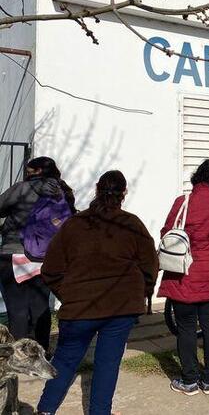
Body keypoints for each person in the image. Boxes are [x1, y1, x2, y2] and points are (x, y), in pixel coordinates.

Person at [37, 171, 157, 415]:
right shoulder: (131, 224)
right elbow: (149, 265)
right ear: (124, 193)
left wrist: (67, 295)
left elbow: (50, 269)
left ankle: (45, 410)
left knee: (64, 361)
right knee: (108, 364)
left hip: (80, 307)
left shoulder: (74, 224)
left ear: (96, 188)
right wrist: (141, 292)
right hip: (121, 305)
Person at [159, 160, 209, 396]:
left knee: (185, 327)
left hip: (186, 274)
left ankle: (190, 379)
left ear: (198, 176)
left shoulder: (184, 201)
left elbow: (167, 233)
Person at [0, 156, 75, 352]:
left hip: (14, 255)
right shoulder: (62, 191)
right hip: (45, 258)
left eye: (28, 170)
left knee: (17, 309)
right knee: (41, 306)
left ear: (38, 171)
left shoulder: (21, 189)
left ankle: (18, 355)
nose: (26, 173)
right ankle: (42, 351)